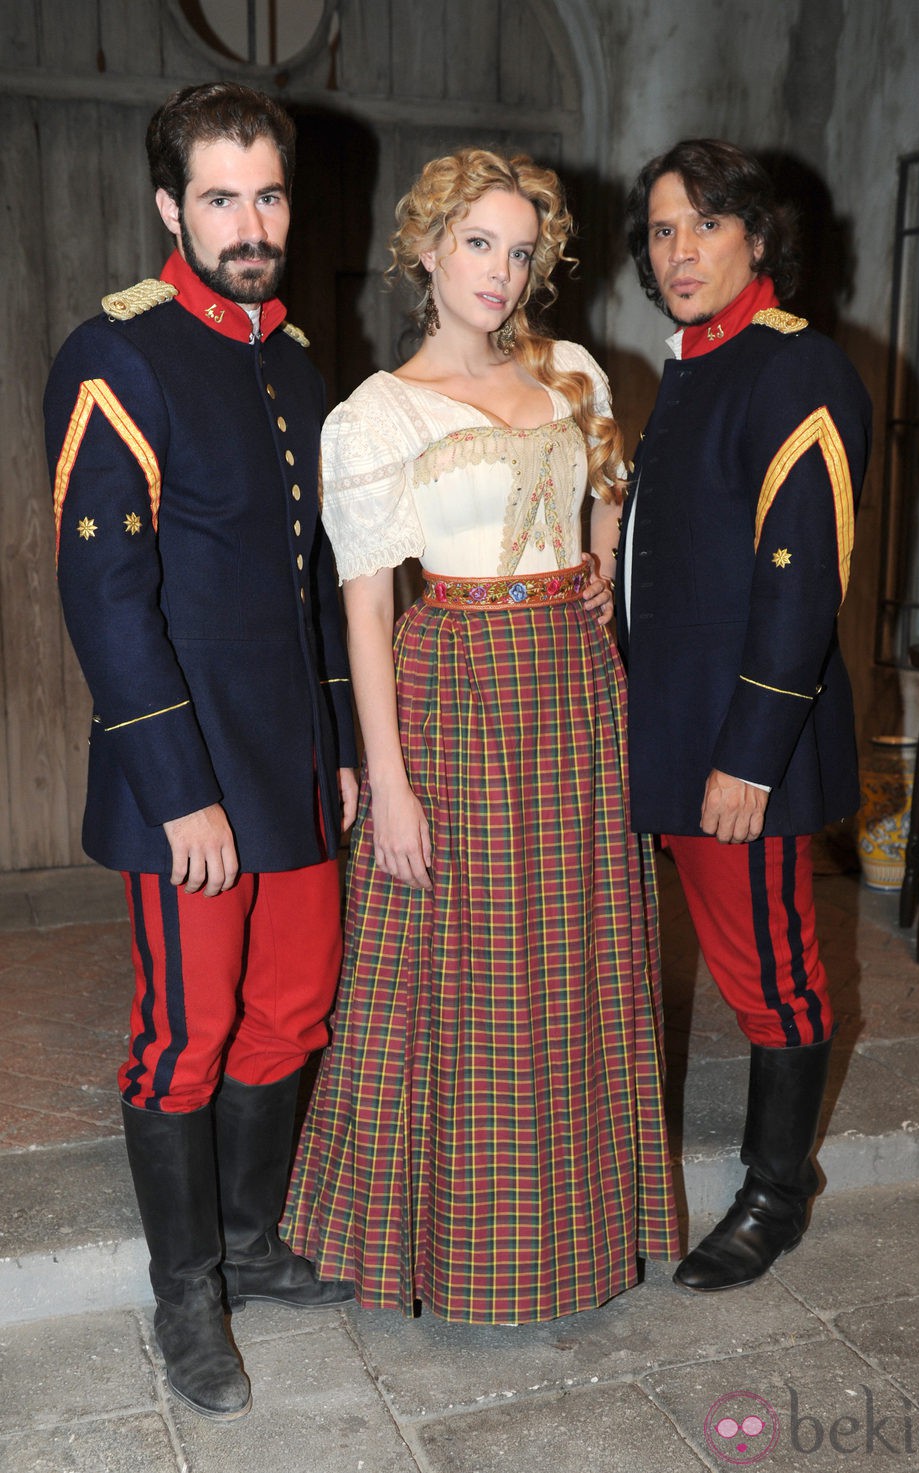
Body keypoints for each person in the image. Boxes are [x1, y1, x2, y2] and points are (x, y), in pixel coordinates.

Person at [282, 148, 679, 1323]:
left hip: (576, 690)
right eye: (476, 245)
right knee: (456, 972)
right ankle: (443, 1246)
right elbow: (363, 611)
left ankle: (580, 1236)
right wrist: (388, 787)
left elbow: (607, 496)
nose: (499, 273)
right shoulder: (375, 416)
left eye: (518, 251)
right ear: (424, 250)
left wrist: (598, 574)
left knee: (581, 959)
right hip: (453, 686)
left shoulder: (571, 375)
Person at [43, 83, 359, 1420]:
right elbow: (103, 595)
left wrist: (337, 744)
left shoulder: (293, 362)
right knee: (185, 1036)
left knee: (290, 1014)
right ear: (172, 205)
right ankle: (187, 1300)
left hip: (291, 769)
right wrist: (180, 793)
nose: (251, 222)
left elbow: (315, 575)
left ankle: (247, 1244)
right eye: (221, 196)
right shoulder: (119, 354)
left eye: (270, 194)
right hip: (192, 783)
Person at [618, 139, 872, 1292]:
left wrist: (750, 757)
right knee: (736, 963)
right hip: (673, 734)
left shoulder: (791, 368)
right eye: (664, 231)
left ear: (758, 239)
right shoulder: (691, 367)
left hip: (738, 751)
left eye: (705, 227)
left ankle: (775, 1194)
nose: (680, 252)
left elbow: (798, 584)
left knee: (772, 972)